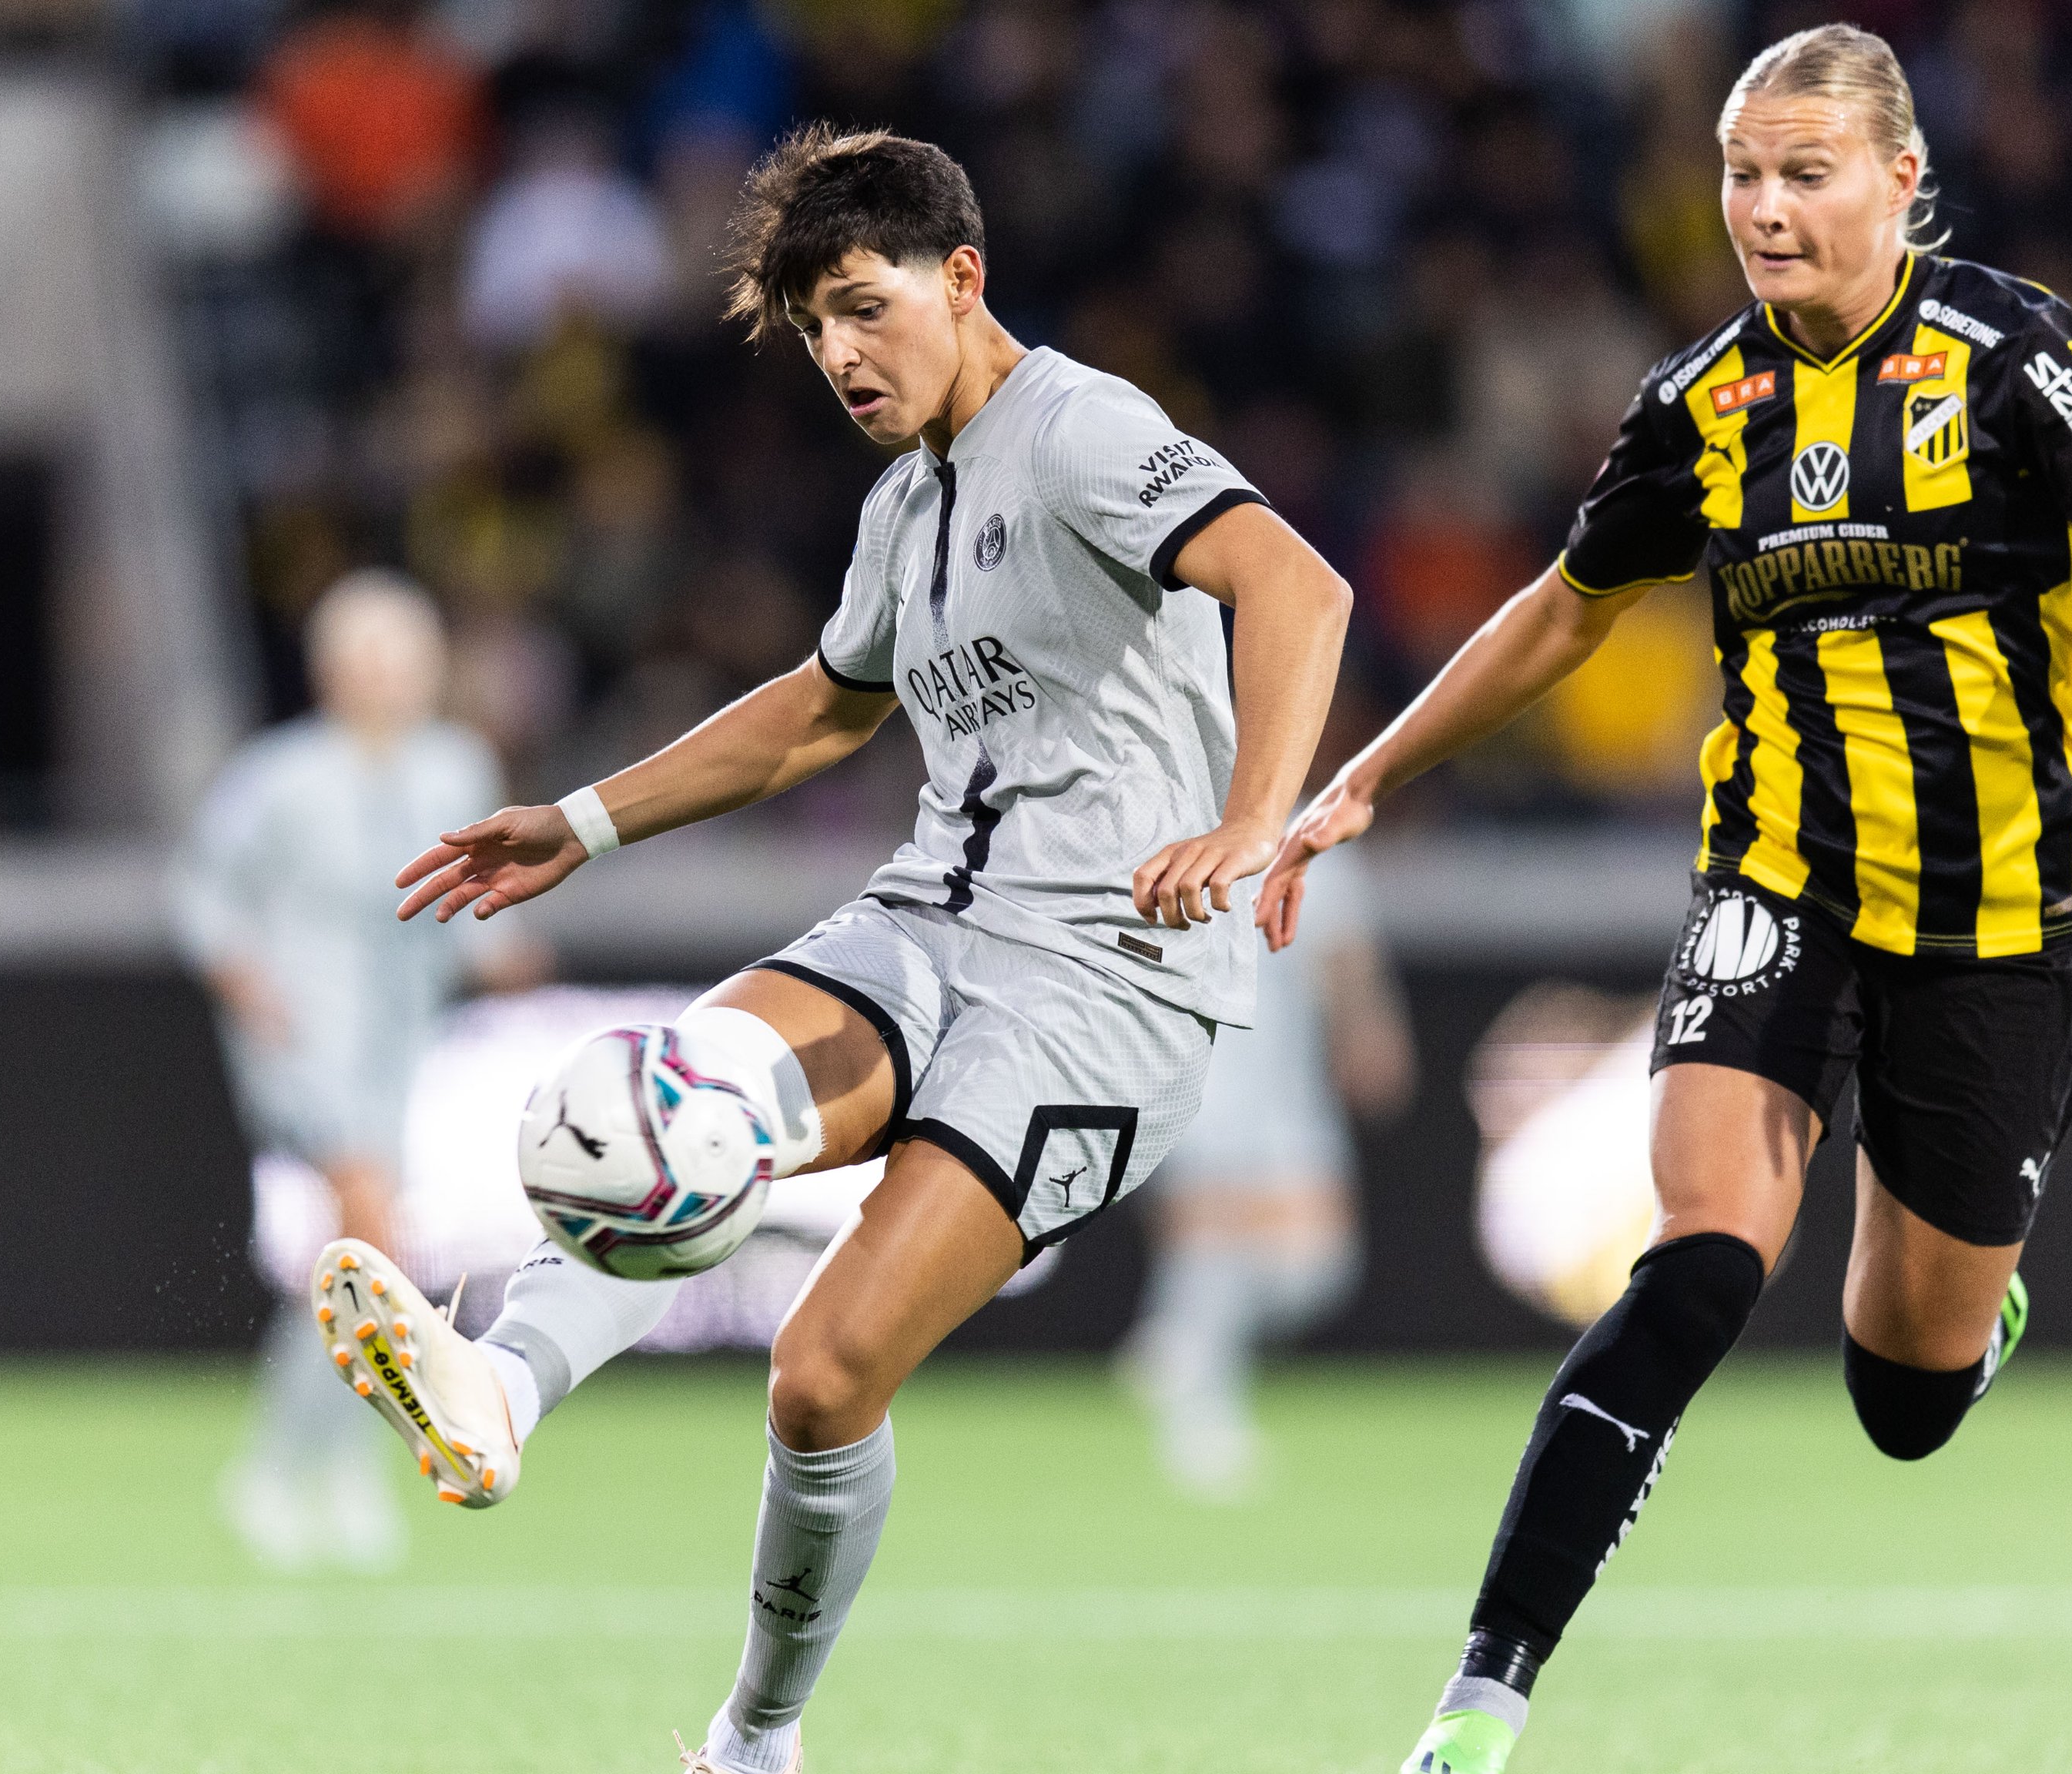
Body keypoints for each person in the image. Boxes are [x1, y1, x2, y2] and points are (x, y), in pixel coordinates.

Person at [1252, 28, 2072, 1773]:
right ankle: (1481, 1701)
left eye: (1803, 171)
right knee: (1694, 1268)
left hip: (1994, 922)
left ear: (1901, 182)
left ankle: (1960, 1315)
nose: (1761, 206)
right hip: (1777, 882)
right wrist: (1368, 775)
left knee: (1904, 1399)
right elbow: (1562, 609)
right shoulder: (1700, 403)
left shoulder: (2008, 358)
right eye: (1742, 173)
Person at [317, 127, 1351, 1772]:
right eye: (814, 332)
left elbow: (1295, 585)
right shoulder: (904, 504)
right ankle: (500, 1393)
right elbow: (821, 710)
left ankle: (754, 1740)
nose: (842, 358)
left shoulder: (1078, 430)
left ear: (963, 277)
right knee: (674, 1097)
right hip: (932, 919)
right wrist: (577, 824)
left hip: (1102, 990)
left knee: (820, 1378)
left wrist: (1253, 819)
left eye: (866, 310)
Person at [172, 571, 543, 1571]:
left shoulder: (455, 766)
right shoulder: (277, 776)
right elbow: (205, 898)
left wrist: (503, 955)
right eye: (365, 658)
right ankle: (336, 1469)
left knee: (359, 1256)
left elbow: (466, 903)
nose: (385, 678)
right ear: (330, 670)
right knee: (372, 1231)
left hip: (400, 1043)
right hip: (306, 1039)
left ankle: (298, 1465)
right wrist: (249, 984)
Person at [1120, 845, 1414, 1500]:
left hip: (1287, 1087)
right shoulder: (1168, 824)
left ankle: (1177, 1340)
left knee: (1314, 1269)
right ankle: (1201, 1422)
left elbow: (1343, 956)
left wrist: (1367, 1033)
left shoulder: (1311, 838)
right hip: (1193, 1077)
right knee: (1211, 1241)